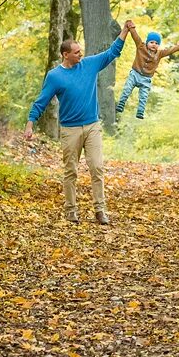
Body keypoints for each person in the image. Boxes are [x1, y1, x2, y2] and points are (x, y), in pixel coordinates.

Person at [26, 21, 135, 225]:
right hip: (70, 130)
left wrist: (125, 32)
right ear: (65, 54)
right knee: (71, 171)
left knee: (97, 167)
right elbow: (41, 101)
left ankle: (100, 210)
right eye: (76, 52)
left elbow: (112, 53)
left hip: (92, 126)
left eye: (80, 51)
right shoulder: (55, 76)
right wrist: (30, 122)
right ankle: (71, 210)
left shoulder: (90, 64)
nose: (80, 55)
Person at [116, 30, 179, 119]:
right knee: (127, 88)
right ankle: (121, 103)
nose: (154, 44)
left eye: (156, 43)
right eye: (151, 42)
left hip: (146, 79)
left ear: (158, 45)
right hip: (135, 74)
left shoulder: (160, 53)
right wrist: (131, 28)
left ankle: (140, 111)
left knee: (144, 96)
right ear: (147, 42)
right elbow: (136, 37)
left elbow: (170, 51)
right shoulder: (141, 46)